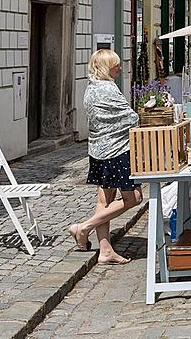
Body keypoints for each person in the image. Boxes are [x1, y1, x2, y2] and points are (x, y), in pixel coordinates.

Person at [69, 49, 142, 264]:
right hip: (117, 151)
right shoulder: (107, 89)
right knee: (134, 198)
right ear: (106, 66)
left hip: (97, 151)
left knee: (105, 200)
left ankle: (105, 250)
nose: (119, 67)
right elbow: (129, 117)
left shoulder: (90, 88)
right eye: (115, 64)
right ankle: (84, 227)